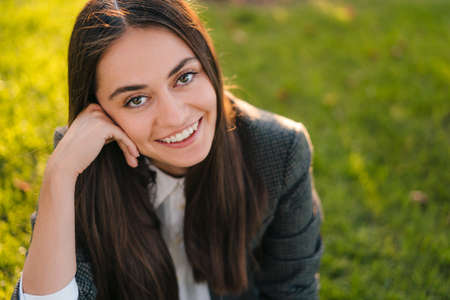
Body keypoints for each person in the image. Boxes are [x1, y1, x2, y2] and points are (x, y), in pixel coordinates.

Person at [11, 0, 323, 299]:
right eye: (136, 99)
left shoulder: (279, 149)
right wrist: (59, 175)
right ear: (97, 109)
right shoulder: (81, 163)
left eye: (184, 77)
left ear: (209, 62)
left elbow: (291, 291)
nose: (174, 117)